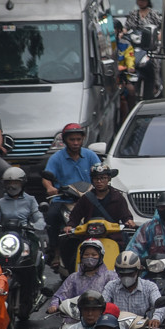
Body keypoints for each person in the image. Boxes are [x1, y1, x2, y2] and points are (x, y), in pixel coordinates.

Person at [40, 123, 102, 260]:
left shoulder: (90, 156)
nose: (75, 143)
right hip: (63, 199)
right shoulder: (56, 158)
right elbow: (46, 177)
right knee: (51, 216)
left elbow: (100, 172)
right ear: (65, 140)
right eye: (72, 139)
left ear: (83, 139)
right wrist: (50, 188)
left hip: (88, 198)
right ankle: (55, 250)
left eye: (78, 139)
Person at [46, 249, 116, 316]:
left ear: (100, 256)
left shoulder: (109, 276)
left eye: (94, 255)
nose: (90, 257)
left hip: (103, 317)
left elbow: (117, 294)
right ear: (81, 256)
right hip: (77, 316)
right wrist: (54, 305)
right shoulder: (74, 277)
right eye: (86, 254)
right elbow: (61, 295)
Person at [66, 164, 134, 229]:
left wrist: (129, 221)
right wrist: (70, 226)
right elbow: (74, 218)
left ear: (109, 179)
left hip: (112, 234)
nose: (99, 181)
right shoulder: (86, 198)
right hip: (90, 233)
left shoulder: (117, 197)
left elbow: (126, 216)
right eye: (96, 178)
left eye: (103, 178)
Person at [103, 253, 164, 325]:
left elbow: (160, 306)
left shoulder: (150, 287)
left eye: (130, 274)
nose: (126, 277)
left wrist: (156, 319)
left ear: (138, 271)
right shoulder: (111, 286)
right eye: (122, 274)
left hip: (143, 328)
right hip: (117, 328)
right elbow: (102, 305)